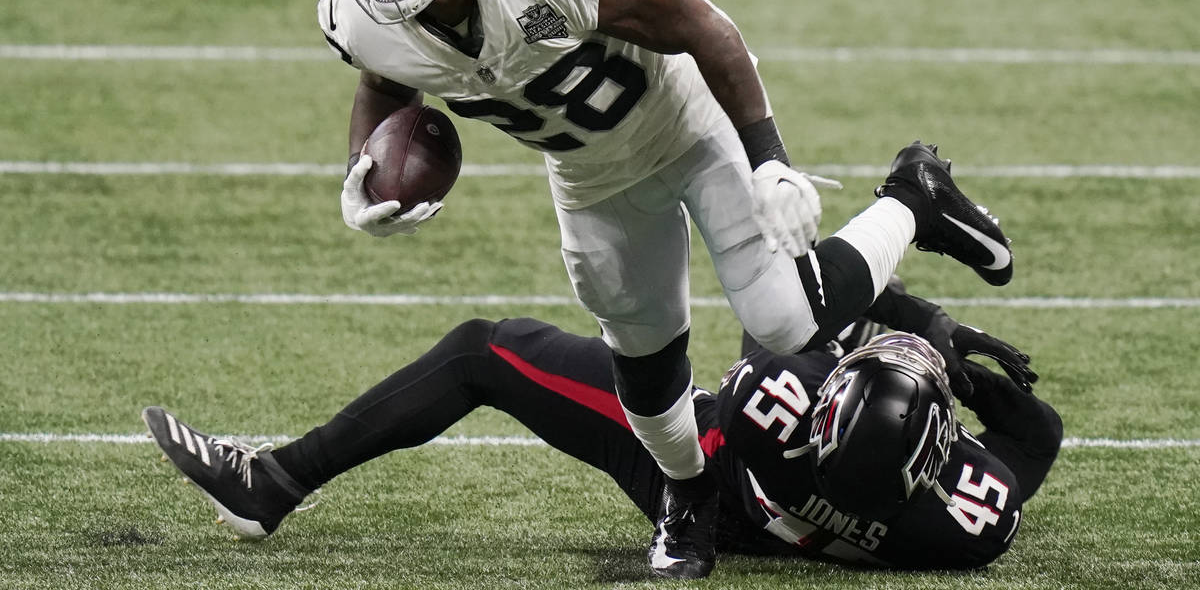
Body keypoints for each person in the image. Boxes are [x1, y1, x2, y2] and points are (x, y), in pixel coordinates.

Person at [318, 0, 1015, 578]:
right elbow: (383, 78)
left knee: (783, 318)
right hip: (589, 174)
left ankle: (913, 197)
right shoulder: (359, 16)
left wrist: (769, 162)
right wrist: (364, 167)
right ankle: (689, 500)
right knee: (644, 368)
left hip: (684, 122)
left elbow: (700, 24)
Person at [142, 282, 1061, 576]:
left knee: (482, 353)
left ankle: (273, 483)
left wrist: (932, 327)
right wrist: (972, 389)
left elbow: (788, 307)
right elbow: (1035, 445)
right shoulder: (969, 526)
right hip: (780, 529)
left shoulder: (779, 402)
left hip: (694, 478)